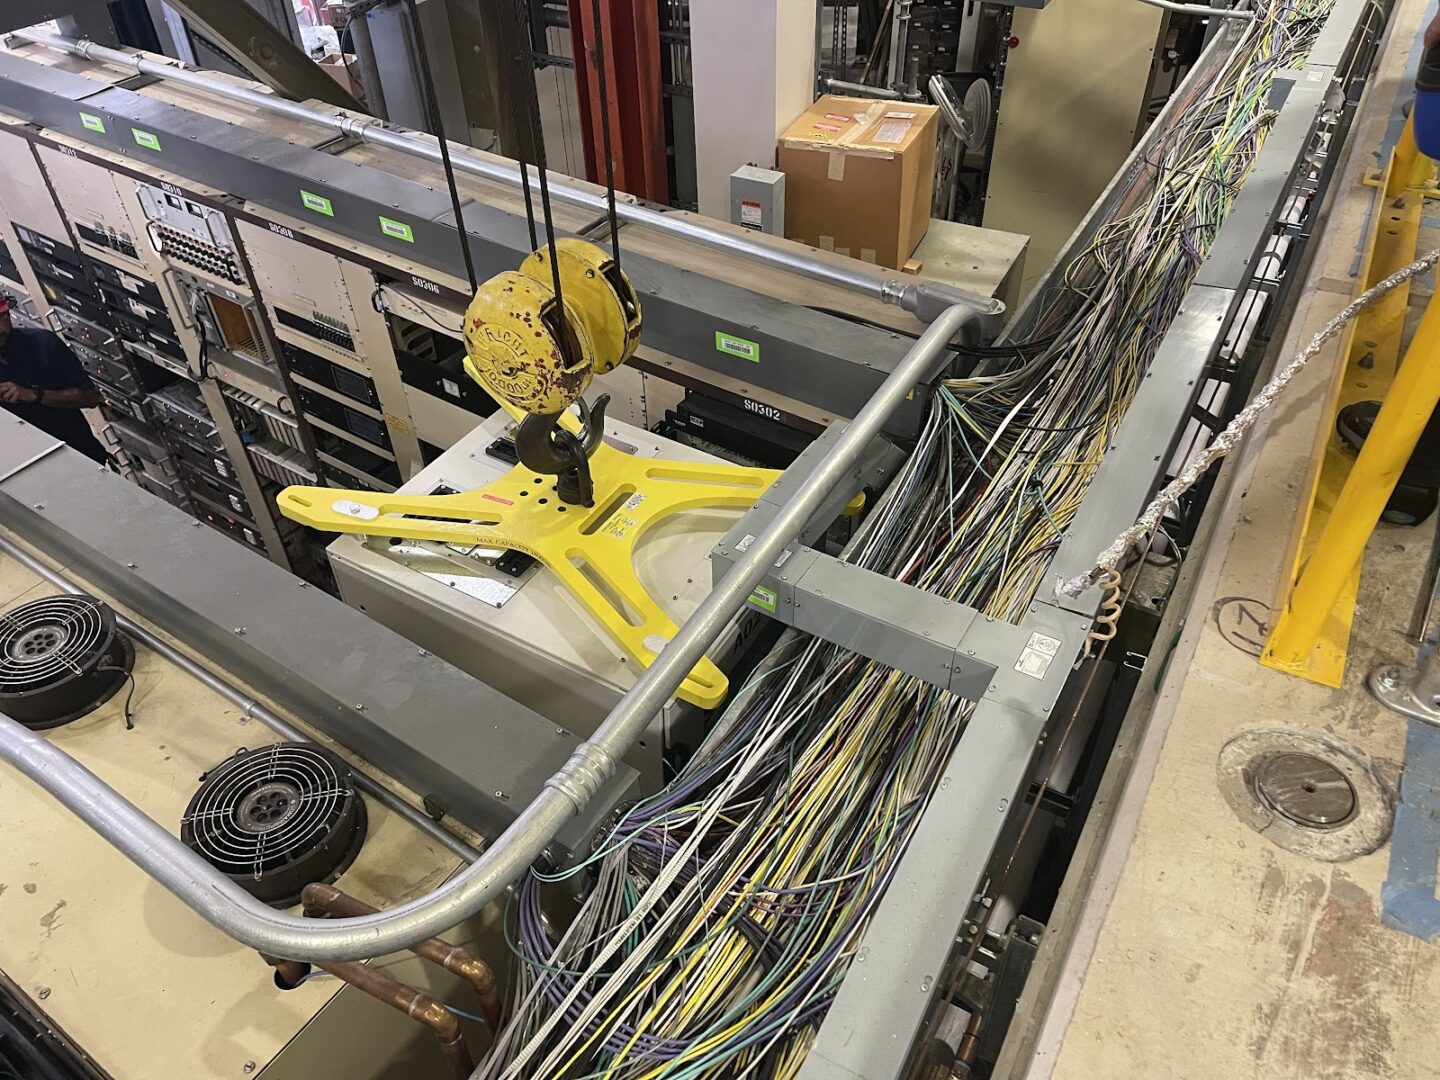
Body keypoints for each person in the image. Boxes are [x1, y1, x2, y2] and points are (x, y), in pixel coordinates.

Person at [0, 295, 109, 463]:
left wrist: (34, 395)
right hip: (24, 467)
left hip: (78, 457)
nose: (2, 328)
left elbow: (92, 398)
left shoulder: (42, 344)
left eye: (3, 316)